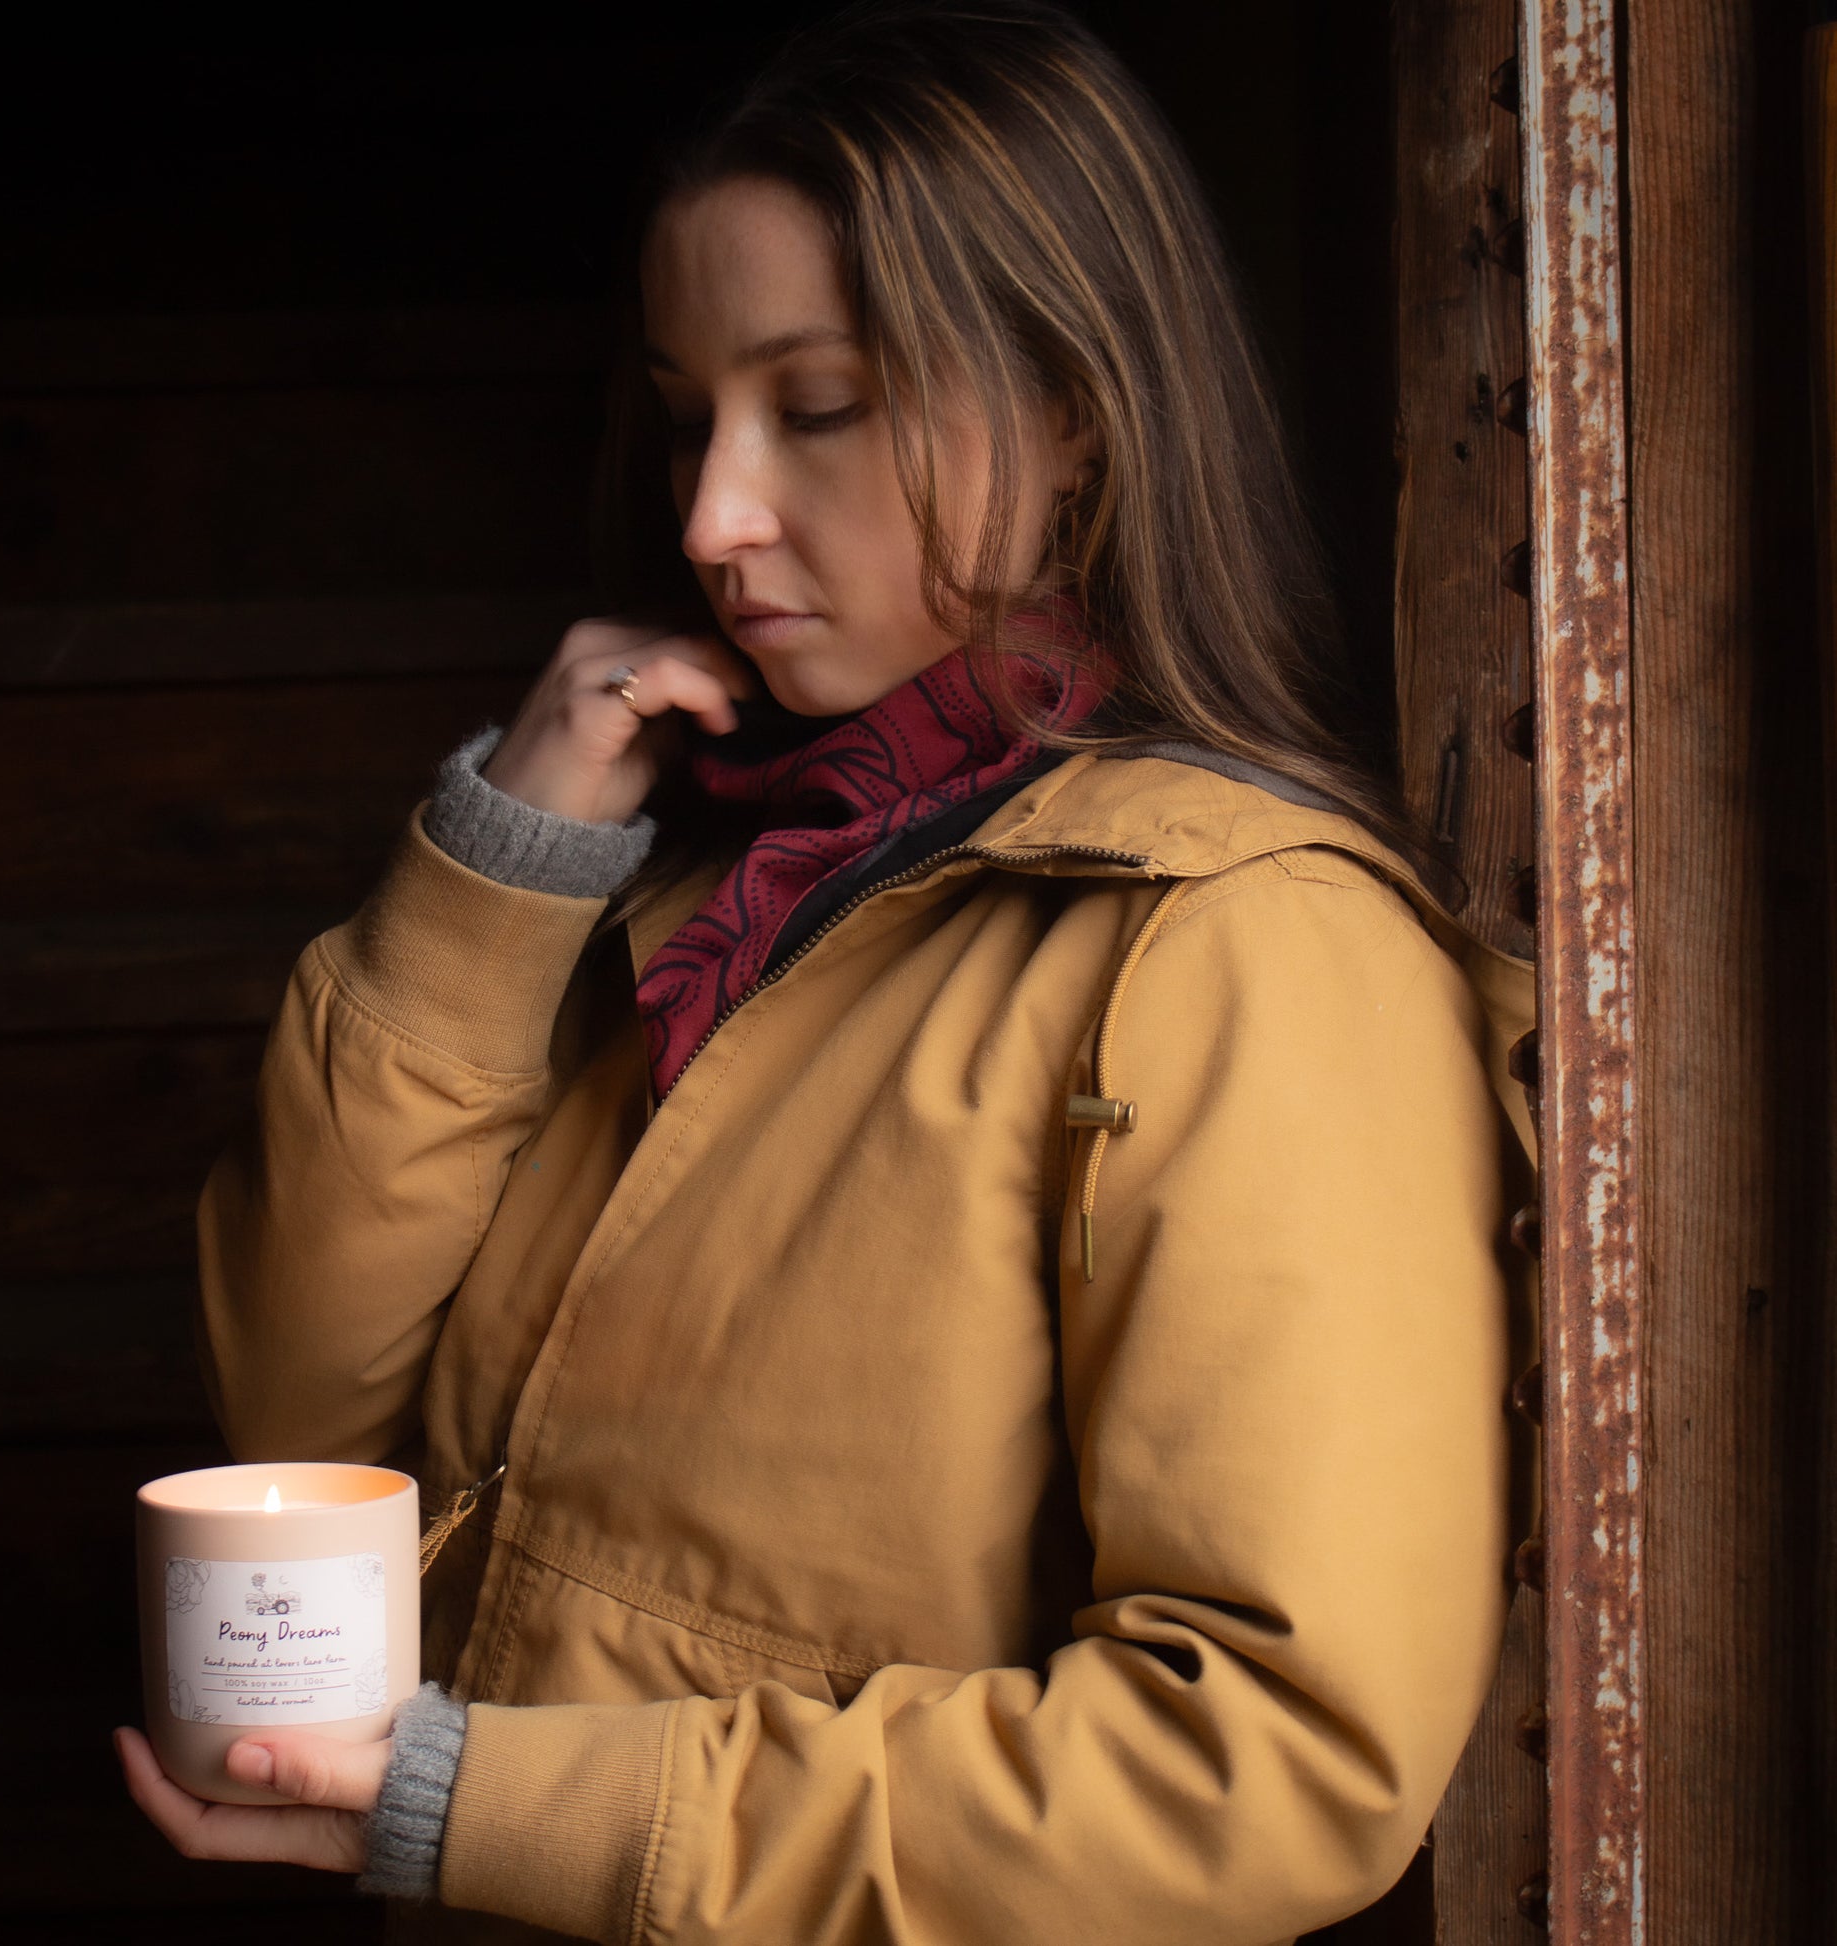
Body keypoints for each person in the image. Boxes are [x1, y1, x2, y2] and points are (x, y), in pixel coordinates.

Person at [115, 4, 1538, 1940]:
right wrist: (497, 873)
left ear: (1075, 411)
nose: (712, 517)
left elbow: (1266, 1762)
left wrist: (482, 1801)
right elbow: (301, 1426)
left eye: (821, 402)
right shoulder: (707, 881)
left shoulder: (1245, 948)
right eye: (690, 409)